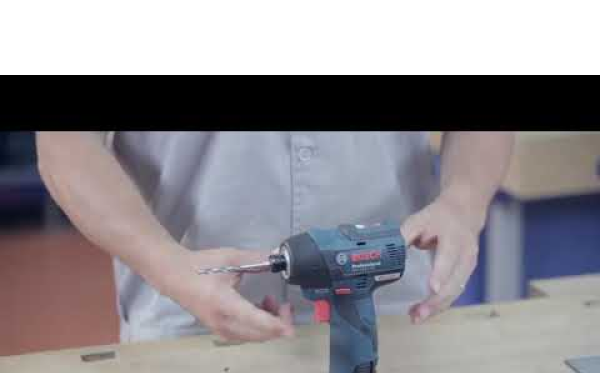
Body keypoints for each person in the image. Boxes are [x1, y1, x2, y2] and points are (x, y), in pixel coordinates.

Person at [36, 132, 514, 344]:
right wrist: (166, 264)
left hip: (389, 310)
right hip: (189, 318)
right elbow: (64, 143)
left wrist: (463, 203)